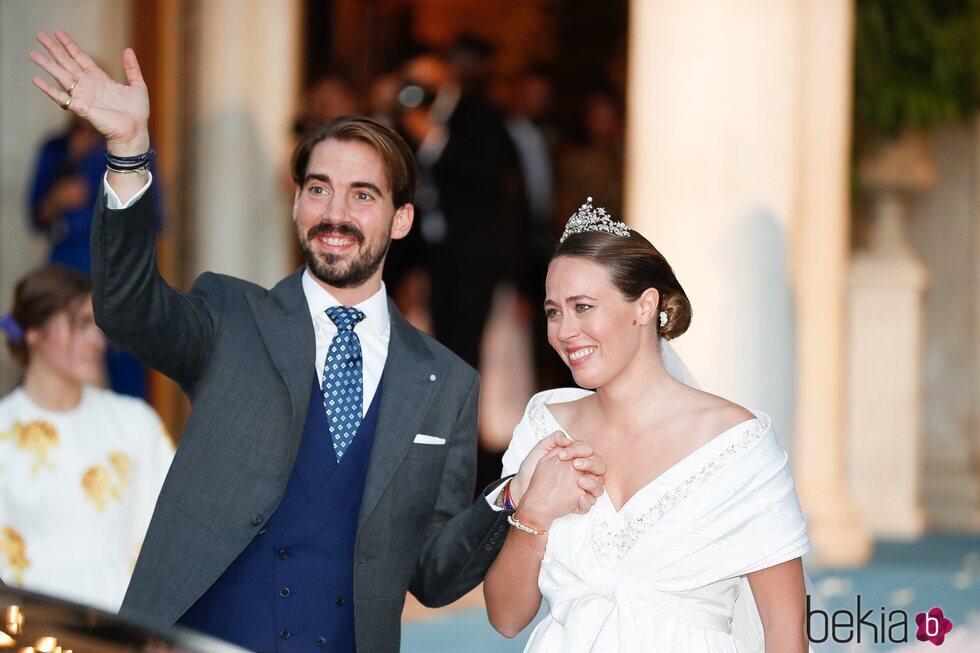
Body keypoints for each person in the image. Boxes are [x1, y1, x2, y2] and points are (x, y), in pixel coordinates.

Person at [28, 30, 606, 653]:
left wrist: (511, 494)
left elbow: (435, 578)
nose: (336, 213)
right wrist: (128, 153)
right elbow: (127, 307)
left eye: (363, 195)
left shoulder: (446, 382)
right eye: (319, 189)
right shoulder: (232, 314)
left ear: (402, 218)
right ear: (298, 204)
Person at [484, 198, 812, 652]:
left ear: (644, 307)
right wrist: (534, 514)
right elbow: (505, 618)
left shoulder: (738, 442)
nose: (563, 331)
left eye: (583, 306)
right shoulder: (544, 427)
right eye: (554, 311)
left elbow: (785, 629)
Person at [0, 266, 174, 612]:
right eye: (80, 324)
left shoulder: (135, 423)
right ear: (34, 332)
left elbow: (173, 534)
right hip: (27, 631)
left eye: (98, 326)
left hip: (127, 627)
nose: (97, 340)